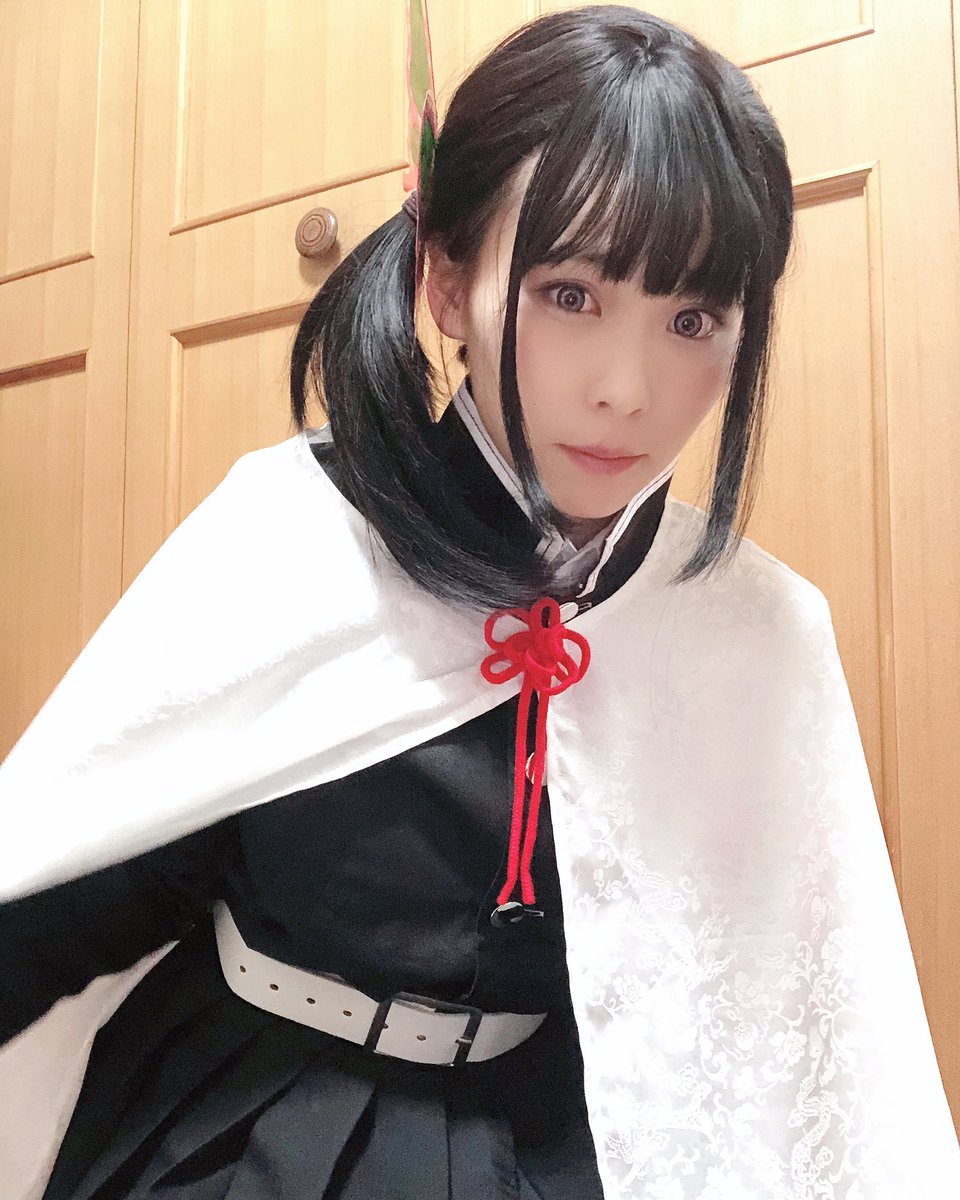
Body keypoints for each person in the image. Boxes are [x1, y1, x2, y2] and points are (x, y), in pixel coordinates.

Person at [3, 6, 959, 1200]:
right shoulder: (301, 533)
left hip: (551, 1147)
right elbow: (83, 881)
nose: (628, 390)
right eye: (571, 294)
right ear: (448, 281)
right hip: (245, 1123)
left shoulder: (752, 629)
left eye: (693, 320)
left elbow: (800, 1037)